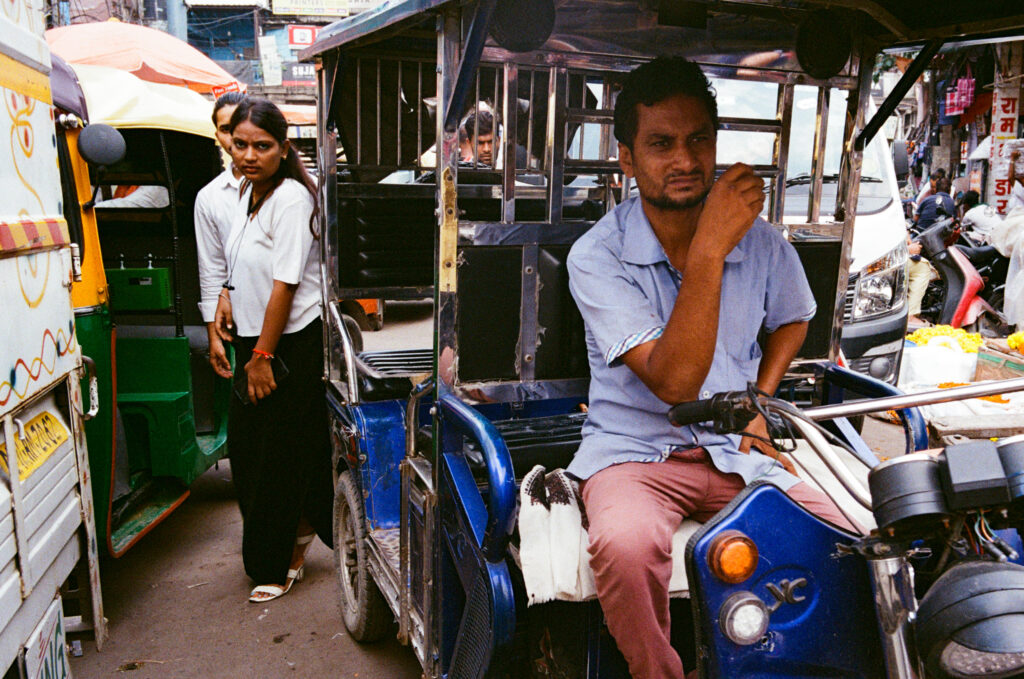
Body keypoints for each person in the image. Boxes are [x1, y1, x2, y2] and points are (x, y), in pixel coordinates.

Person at [566, 57, 855, 679]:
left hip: (735, 449)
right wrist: (709, 250)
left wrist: (758, 402)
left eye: (699, 139)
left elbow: (795, 318)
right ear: (626, 158)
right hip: (633, 453)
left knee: (851, 528)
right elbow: (675, 382)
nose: (685, 160)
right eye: (661, 144)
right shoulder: (597, 255)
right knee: (624, 546)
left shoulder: (760, 240)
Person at [214, 98, 334, 603]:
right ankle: (293, 539)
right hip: (253, 336)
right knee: (254, 452)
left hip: (288, 344)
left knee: (276, 457)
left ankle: (280, 557)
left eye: (261, 146)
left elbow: (285, 284)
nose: (248, 155)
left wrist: (261, 357)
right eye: (240, 144)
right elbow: (244, 262)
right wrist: (224, 298)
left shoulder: (291, 199)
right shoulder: (249, 193)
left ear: (283, 149)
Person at [196, 92, 247, 380]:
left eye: (241, 125)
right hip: (241, 325)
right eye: (226, 129)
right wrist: (214, 336)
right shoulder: (210, 198)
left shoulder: (295, 187)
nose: (235, 137)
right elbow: (212, 269)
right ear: (217, 134)